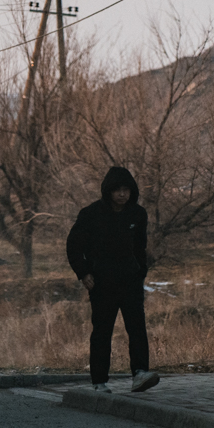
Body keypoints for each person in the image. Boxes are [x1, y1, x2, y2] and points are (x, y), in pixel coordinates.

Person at [65, 165, 159, 393]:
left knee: (136, 327)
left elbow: (140, 247)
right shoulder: (91, 214)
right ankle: (99, 381)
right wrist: (84, 273)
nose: (122, 194)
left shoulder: (137, 214)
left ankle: (140, 373)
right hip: (102, 282)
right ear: (108, 191)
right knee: (102, 331)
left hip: (130, 281)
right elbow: (74, 245)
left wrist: (141, 272)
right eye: (117, 190)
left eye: (126, 189)